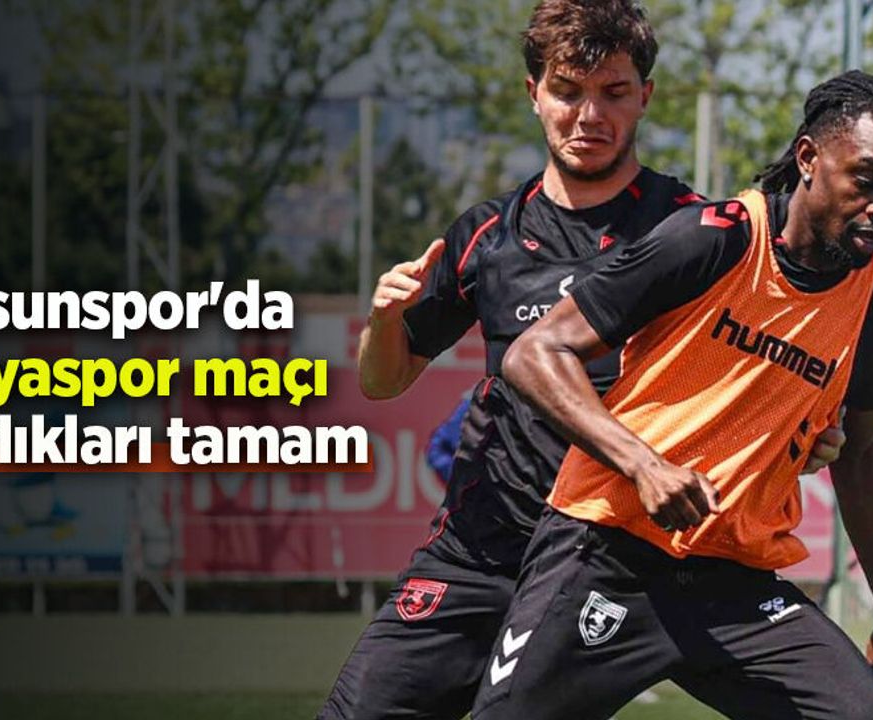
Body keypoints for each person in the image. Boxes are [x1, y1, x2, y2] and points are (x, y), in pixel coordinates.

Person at [319, 2, 843, 717]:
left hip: (616, 560)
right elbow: (384, 380)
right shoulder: (488, 236)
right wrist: (384, 319)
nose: (589, 115)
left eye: (614, 92)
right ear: (533, 92)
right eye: (567, 90)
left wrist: (807, 437)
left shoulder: (694, 231)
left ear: (645, 97)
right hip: (483, 551)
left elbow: (761, 375)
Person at [473, 70, 873, 720]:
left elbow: (859, 452)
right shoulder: (713, 238)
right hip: (605, 553)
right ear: (808, 158)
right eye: (867, 180)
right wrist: (645, 466)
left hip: (735, 584)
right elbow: (535, 353)